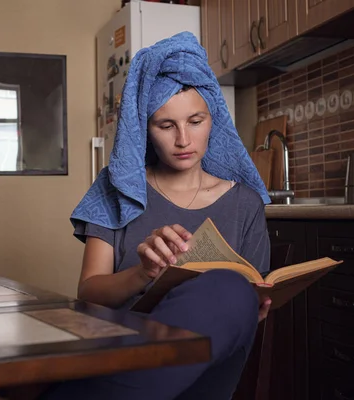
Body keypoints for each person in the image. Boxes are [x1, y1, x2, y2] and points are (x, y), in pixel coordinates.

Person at [40, 32, 272, 400]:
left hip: (209, 368)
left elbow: (253, 302)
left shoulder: (245, 203)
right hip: (122, 353)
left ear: (214, 120)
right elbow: (89, 295)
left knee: (229, 290)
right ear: (144, 130)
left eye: (195, 121)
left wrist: (248, 309)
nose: (183, 139)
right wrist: (142, 273)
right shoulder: (116, 190)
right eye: (166, 125)